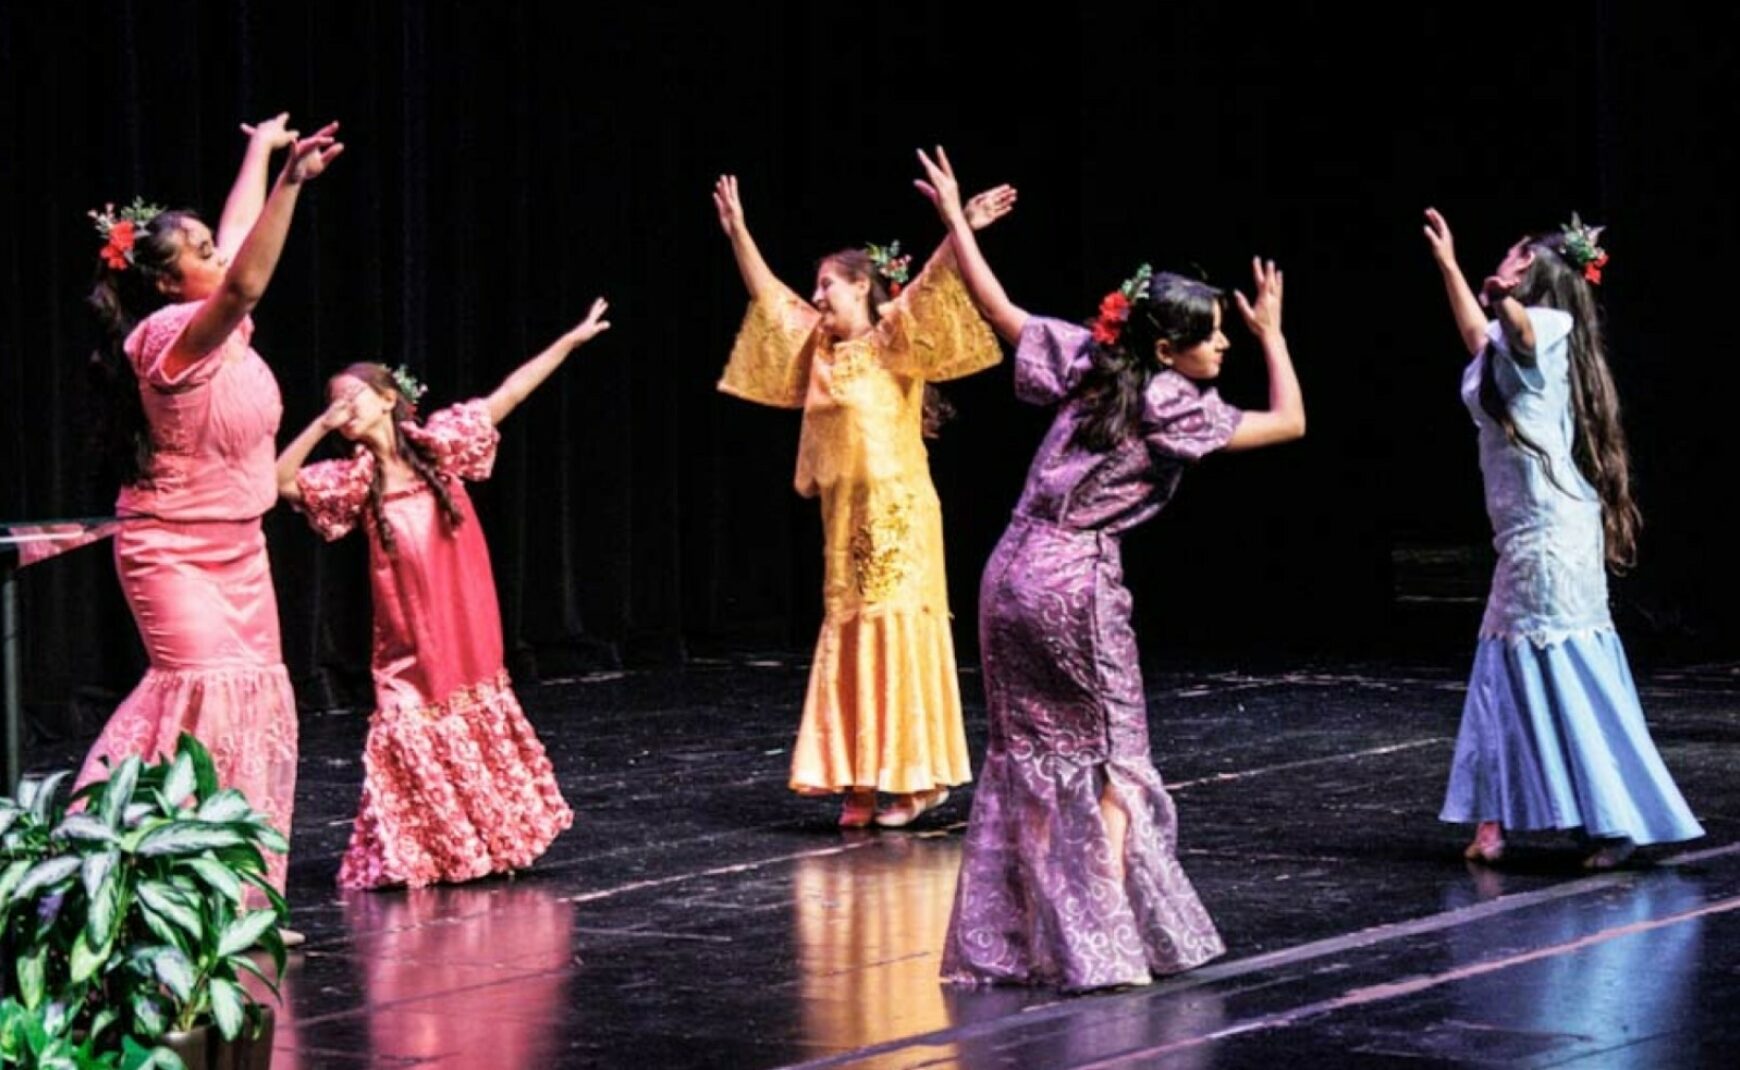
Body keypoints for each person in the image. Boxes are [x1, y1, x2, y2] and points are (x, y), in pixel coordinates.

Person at [915, 147, 1305, 990]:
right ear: (1168, 347)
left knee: (1029, 755)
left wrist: (954, 221)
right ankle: (1098, 943)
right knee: (1111, 757)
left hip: (1005, 573)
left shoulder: (1092, 365)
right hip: (1071, 585)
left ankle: (1023, 940)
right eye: (1217, 336)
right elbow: (1291, 424)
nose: (1227, 344)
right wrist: (1277, 338)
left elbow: (1000, 307)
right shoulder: (1173, 401)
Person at [78, 113, 343, 899]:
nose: (215, 255)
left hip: (240, 549)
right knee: (202, 697)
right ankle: (115, 866)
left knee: (252, 707)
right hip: (172, 551)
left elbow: (232, 250)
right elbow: (246, 276)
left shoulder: (218, 329)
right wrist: (291, 183)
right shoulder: (167, 338)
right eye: (194, 254)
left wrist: (259, 151)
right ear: (164, 283)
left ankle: (237, 896)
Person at [711, 173, 1015, 828]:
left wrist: (959, 222)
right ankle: (857, 781)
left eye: (827, 285)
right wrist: (739, 232)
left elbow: (935, 277)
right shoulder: (816, 349)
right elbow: (767, 295)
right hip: (845, 525)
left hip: (901, 523)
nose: (817, 295)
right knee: (849, 632)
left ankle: (911, 782)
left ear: (861, 288)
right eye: (816, 286)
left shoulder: (893, 340)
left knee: (892, 630)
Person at [273, 300, 608, 888]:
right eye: (332, 402)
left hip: (464, 623)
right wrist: (321, 426)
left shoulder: (441, 446)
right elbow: (277, 482)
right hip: (407, 638)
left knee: (467, 714)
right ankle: (424, 852)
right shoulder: (353, 480)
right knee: (405, 724)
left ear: (385, 396)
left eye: (349, 397)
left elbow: (510, 393)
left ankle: (487, 841)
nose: (340, 408)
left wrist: (569, 342)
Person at [1423, 208, 1702, 870]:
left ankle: (1611, 822)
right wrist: (1450, 266)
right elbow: (1480, 336)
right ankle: (1496, 822)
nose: (1509, 260)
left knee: (1553, 666)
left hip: (1548, 539)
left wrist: (1503, 299)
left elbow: (1513, 329)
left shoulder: (1548, 324)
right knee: (1503, 666)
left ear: (1537, 272)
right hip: (1528, 534)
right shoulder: (1523, 334)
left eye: (1519, 256)